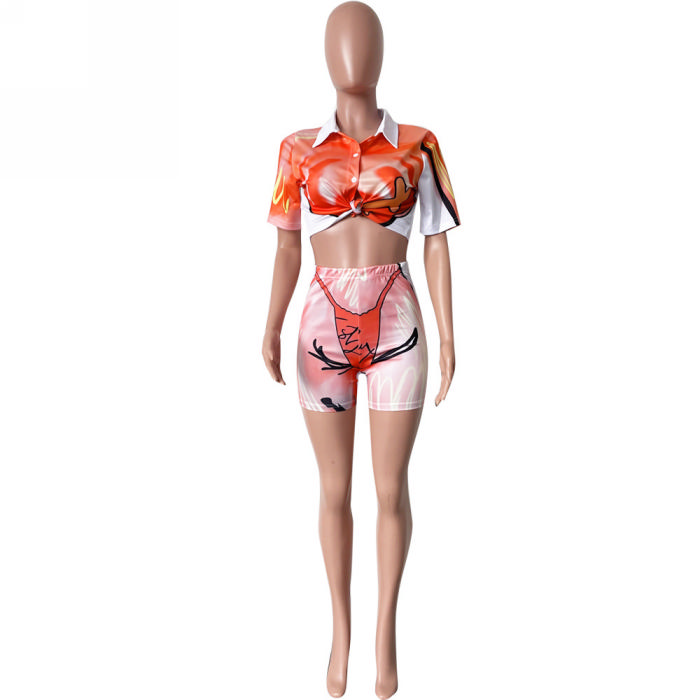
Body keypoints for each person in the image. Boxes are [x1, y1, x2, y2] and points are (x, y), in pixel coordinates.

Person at [261, 3, 460, 698]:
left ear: (380, 52)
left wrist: (451, 333)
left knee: (390, 489)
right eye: (342, 43)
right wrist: (270, 323)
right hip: (320, 324)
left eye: (364, 41)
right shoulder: (296, 149)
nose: (353, 54)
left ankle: (384, 638)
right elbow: (287, 247)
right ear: (327, 54)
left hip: (397, 317)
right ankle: (341, 634)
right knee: (334, 490)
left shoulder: (420, 144)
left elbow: (436, 242)